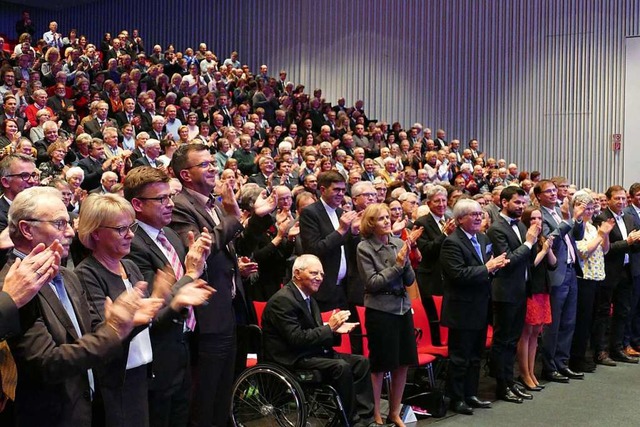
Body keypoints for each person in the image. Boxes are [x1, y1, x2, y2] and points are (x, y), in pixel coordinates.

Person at [2, 187, 142, 427]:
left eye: (68, 223)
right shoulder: (11, 287)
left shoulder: (67, 276)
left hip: (88, 407)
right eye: (59, 224)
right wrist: (115, 330)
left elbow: (90, 334)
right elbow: (48, 363)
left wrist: (126, 321)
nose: (69, 232)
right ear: (26, 229)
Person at [75, 194, 210, 427]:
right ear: (96, 233)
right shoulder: (87, 274)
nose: (130, 235)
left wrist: (173, 304)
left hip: (145, 373)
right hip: (118, 381)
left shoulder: (130, 266)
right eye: (121, 229)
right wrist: (137, 317)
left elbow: (150, 321)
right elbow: (102, 335)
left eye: (132, 227)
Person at [123, 166, 214, 427]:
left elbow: (187, 278)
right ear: (137, 204)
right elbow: (155, 307)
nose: (169, 204)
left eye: (169, 197)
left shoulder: (170, 235)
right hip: (158, 353)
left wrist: (199, 264)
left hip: (183, 345)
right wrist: (191, 273)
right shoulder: (133, 244)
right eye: (161, 199)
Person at [262, 254, 384, 427]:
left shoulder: (309, 299)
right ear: (297, 273)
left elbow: (314, 334)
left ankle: (366, 419)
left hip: (311, 352)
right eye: (314, 273)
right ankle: (352, 422)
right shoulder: (282, 300)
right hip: (292, 358)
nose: (319, 278)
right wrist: (329, 328)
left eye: (321, 274)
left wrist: (334, 331)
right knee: (341, 367)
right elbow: (296, 339)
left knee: (361, 362)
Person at [356, 203, 422, 426]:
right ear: (371, 224)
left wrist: (408, 255)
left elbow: (410, 280)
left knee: (402, 363)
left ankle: (395, 411)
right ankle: (375, 412)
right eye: (382, 218)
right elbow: (372, 283)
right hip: (380, 310)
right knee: (381, 365)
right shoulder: (364, 248)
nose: (388, 221)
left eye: (388, 217)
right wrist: (398, 264)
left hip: (402, 308)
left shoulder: (398, 242)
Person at [487, 186, 540, 403]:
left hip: (520, 289)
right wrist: (528, 242)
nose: (521, 207)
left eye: (523, 203)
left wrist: (533, 242)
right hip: (504, 291)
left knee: (513, 340)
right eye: (517, 203)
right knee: (503, 340)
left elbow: (528, 257)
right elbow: (507, 262)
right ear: (504, 202)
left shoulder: (520, 224)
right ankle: (502, 385)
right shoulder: (497, 228)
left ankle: (509, 381)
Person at [535, 180, 586, 382]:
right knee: (553, 323)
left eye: (555, 190)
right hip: (555, 273)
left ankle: (562, 363)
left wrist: (578, 220)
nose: (554, 194)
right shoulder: (540, 215)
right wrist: (569, 219)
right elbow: (550, 240)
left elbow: (578, 236)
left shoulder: (559, 211)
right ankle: (549, 367)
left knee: (568, 321)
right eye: (548, 191)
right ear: (539, 195)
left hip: (572, 270)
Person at [592, 185, 640, 364]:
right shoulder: (601, 218)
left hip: (627, 271)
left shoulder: (628, 218)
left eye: (622, 198)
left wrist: (636, 241)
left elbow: (633, 246)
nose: (620, 202)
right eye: (616, 199)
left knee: (623, 312)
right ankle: (600, 351)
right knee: (603, 313)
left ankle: (617, 348)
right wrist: (628, 241)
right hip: (608, 272)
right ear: (608, 200)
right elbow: (606, 250)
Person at [299, 170, 358, 311]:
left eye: (343, 190)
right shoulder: (310, 213)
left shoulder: (340, 213)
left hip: (344, 288)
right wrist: (341, 230)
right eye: (336, 189)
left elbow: (348, 249)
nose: (341, 194)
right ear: (323, 190)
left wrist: (354, 233)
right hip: (323, 289)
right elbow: (313, 249)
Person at [570, 192, 613, 372]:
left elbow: (605, 250)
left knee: (592, 319)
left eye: (590, 208)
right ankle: (576, 358)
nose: (589, 211)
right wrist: (600, 235)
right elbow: (583, 252)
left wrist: (605, 235)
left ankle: (584, 355)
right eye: (585, 208)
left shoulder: (593, 228)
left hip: (597, 276)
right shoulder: (577, 227)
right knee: (582, 320)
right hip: (584, 278)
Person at [517, 206, 557, 391]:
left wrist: (547, 249)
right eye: (533, 219)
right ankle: (524, 373)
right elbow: (530, 265)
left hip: (543, 288)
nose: (537, 222)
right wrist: (542, 251)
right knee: (526, 333)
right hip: (530, 289)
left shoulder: (540, 239)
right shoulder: (527, 239)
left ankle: (532, 371)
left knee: (536, 333)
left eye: (539, 218)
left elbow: (553, 264)